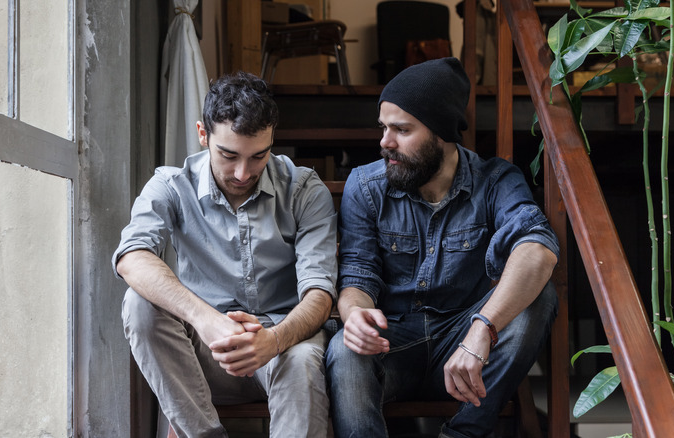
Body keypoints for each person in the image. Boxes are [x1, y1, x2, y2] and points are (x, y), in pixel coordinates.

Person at [325, 57, 559, 438]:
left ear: (442, 133)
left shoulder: (496, 180)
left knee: (539, 295)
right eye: (384, 127)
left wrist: (482, 329)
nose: (385, 142)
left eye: (401, 129)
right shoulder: (365, 186)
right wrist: (355, 316)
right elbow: (357, 275)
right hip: (393, 342)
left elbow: (537, 249)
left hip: (467, 344)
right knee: (344, 350)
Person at [113, 71, 337, 438]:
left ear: (271, 140)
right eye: (228, 154)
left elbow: (320, 295)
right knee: (138, 304)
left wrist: (275, 339)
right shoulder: (171, 185)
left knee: (303, 363)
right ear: (203, 134)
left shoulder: (304, 189)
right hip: (204, 353)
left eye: (258, 156)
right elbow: (131, 256)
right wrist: (207, 320)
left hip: (284, 343)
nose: (242, 172)